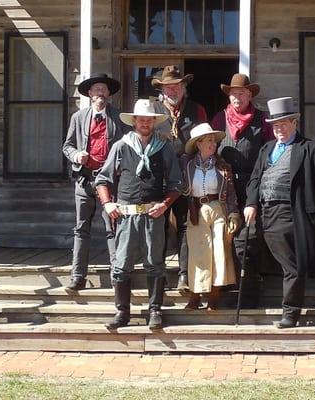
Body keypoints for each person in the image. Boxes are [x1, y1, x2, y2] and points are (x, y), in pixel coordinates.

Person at [244, 97, 315, 328]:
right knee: (242, 243)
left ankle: (290, 313)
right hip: (262, 211)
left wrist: (304, 205)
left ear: (294, 123)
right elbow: (254, 179)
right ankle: (250, 296)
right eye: (275, 125)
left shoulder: (310, 149)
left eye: (283, 124)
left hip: (288, 213)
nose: (278, 129)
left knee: (291, 264)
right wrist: (251, 203)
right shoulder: (267, 148)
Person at [96, 99, 182, 330]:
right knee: (122, 265)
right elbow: (103, 180)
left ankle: (155, 310)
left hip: (154, 215)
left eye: (149, 119)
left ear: (154, 121)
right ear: (134, 120)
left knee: (155, 263)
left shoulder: (164, 147)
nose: (145, 122)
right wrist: (107, 204)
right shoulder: (121, 146)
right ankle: (122, 312)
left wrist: (164, 205)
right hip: (125, 215)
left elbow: (176, 184)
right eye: (141, 118)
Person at [211, 73, 275, 304]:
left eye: (241, 93)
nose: (236, 97)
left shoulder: (262, 120)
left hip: (253, 185)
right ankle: (226, 287)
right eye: (233, 93)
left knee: (248, 239)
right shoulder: (219, 119)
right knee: (223, 236)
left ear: (250, 95)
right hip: (224, 186)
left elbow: (271, 154)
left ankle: (249, 294)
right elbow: (209, 149)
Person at [62, 74, 127, 292]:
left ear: (108, 94)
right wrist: (75, 155)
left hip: (109, 182)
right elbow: (67, 146)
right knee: (81, 229)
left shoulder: (118, 118)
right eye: (96, 90)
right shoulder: (78, 118)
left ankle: (116, 274)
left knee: (112, 227)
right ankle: (78, 276)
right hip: (84, 179)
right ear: (90, 94)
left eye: (103, 90)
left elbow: (127, 147)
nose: (100, 93)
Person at [151, 65, 208, 292]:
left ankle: (184, 274)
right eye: (168, 87)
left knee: (187, 225)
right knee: (159, 226)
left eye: (176, 86)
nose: (172, 91)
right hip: (159, 178)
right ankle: (160, 273)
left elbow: (205, 143)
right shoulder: (152, 111)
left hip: (188, 177)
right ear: (162, 90)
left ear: (183, 88)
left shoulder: (197, 110)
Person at [181, 123, 240, 310]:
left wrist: (233, 213)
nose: (213, 145)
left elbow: (231, 192)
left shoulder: (223, 166)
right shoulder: (187, 165)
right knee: (198, 253)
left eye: (214, 141)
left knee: (219, 252)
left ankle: (214, 295)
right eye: (208, 141)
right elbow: (180, 187)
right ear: (198, 144)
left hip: (218, 208)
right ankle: (195, 295)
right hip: (196, 210)